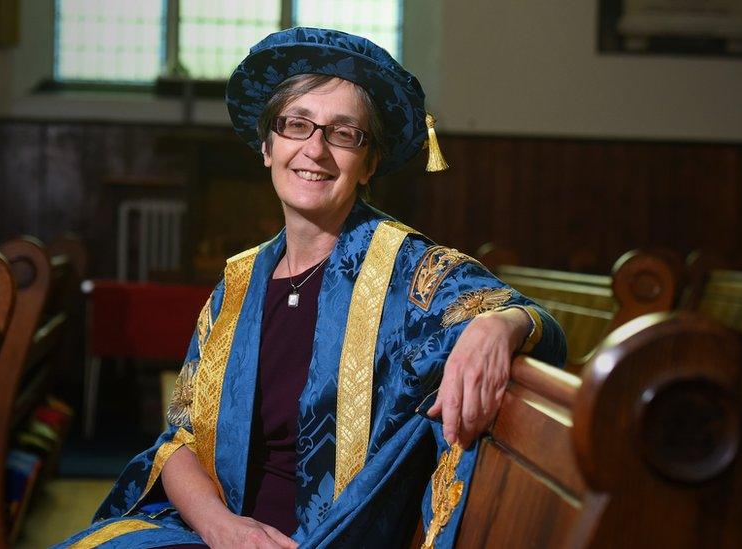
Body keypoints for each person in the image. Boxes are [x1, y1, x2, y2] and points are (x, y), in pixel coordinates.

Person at [56, 27, 565, 549]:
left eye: (344, 133)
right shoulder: (236, 287)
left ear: (368, 165)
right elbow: (178, 441)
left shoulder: (410, 273)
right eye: (298, 125)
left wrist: (499, 325)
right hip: (215, 534)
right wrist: (221, 527)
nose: (315, 150)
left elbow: (538, 323)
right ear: (267, 145)